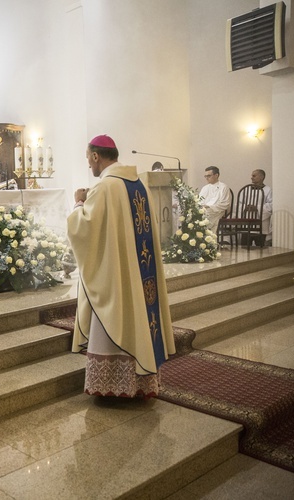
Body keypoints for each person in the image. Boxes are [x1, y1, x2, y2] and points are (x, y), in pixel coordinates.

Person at [67, 134, 176, 399]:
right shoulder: (139, 183)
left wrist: (79, 202)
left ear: (96, 156)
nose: (89, 166)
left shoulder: (105, 188)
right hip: (140, 272)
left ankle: (112, 387)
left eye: (88, 159)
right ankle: (138, 383)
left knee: (114, 318)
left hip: (115, 277)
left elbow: (84, 229)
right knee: (138, 315)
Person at [244, 169, 273, 246]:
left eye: (254, 176)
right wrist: (245, 207)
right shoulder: (247, 189)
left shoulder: (268, 190)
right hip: (247, 223)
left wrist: (257, 208)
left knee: (260, 249)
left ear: (261, 177)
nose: (251, 177)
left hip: (261, 223)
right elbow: (240, 204)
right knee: (243, 248)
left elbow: (271, 205)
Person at [199, 166, 231, 235]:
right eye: (205, 176)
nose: (207, 178)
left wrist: (210, 207)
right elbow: (200, 201)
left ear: (216, 175)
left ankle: (208, 239)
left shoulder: (223, 187)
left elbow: (225, 203)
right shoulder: (205, 188)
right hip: (206, 209)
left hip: (218, 211)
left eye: (209, 176)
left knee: (206, 216)